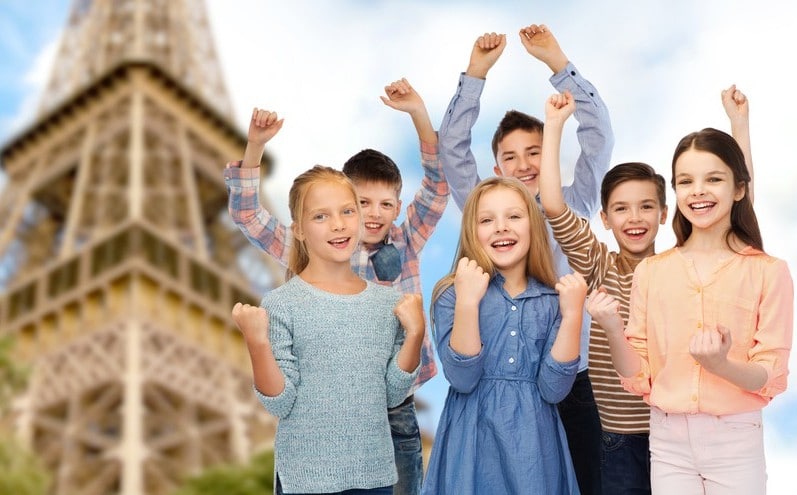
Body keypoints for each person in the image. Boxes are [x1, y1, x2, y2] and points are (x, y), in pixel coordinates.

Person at [224, 78, 447, 494]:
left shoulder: (407, 239)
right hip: (319, 417)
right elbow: (250, 216)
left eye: (384, 205)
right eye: (358, 203)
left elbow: (436, 187)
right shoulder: (308, 252)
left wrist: (418, 114)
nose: (369, 215)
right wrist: (254, 147)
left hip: (393, 405)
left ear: (398, 208)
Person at [540, 85, 753, 494]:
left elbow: (736, 210)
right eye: (621, 208)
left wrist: (738, 127)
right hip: (616, 437)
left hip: (676, 433)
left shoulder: (682, 266)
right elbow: (552, 205)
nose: (634, 218)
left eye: (645, 207)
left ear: (663, 213)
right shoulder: (599, 265)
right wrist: (554, 127)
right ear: (604, 218)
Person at [437, 23, 613, 493]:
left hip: (568, 377)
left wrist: (558, 64)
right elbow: (451, 151)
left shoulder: (573, 205)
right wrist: (475, 74)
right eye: (510, 157)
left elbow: (598, 136)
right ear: (496, 170)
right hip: (493, 380)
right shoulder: (488, 213)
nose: (524, 164)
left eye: (535, 151)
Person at [585, 127, 793, 494]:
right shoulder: (652, 271)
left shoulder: (768, 271)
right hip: (667, 440)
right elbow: (639, 376)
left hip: (735, 437)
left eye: (713, 179)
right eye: (686, 181)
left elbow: (771, 376)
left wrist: (721, 366)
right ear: (676, 192)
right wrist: (613, 329)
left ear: (739, 188)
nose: (697, 190)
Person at [231, 165, 425, 494]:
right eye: (321, 216)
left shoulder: (386, 304)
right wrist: (256, 342)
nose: (338, 224)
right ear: (299, 231)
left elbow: (392, 395)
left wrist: (415, 335)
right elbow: (280, 402)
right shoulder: (281, 303)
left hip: (374, 478)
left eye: (347, 211)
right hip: (305, 481)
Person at [422, 176, 588, 494]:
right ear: (473, 231)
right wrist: (469, 302)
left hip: (534, 452)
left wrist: (572, 316)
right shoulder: (453, 293)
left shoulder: (552, 301)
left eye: (513, 216)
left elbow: (554, 389)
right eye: (487, 219)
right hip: (471, 445)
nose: (501, 227)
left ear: (533, 226)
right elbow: (462, 377)